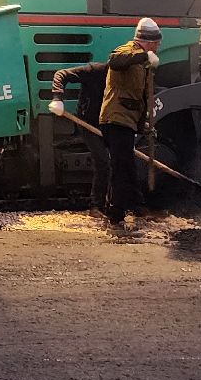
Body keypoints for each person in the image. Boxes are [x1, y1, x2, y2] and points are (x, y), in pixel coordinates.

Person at [93, 17, 161, 226]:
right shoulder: (128, 51)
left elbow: (140, 98)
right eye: (156, 43)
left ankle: (138, 208)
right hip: (115, 119)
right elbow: (114, 61)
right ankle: (116, 216)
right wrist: (143, 55)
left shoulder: (145, 64)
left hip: (126, 121)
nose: (158, 47)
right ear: (148, 42)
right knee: (122, 167)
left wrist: (144, 126)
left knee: (127, 167)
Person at [48, 60, 114, 219]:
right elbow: (61, 74)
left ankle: (116, 205)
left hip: (111, 122)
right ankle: (96, 207)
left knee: (120, 161)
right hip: (87, 122)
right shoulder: (95, 71)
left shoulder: (127, 77)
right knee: (103, 161)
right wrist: (57, 98)